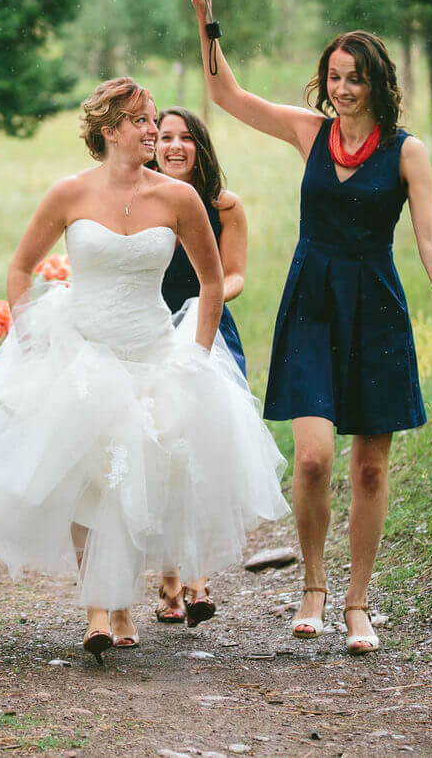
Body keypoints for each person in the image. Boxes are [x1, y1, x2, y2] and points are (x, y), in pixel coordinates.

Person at [185, 0, 432, 655]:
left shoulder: (409, 152)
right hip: (314, 300)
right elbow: (224, 93)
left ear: (377, 83)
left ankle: (357, 601)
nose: (342, 88)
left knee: (371, 467)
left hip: (375, 304)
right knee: (314, 458)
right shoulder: (309, 133)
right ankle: (313, 584)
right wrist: (207, 14)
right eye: (335, 76)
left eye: (354, 78)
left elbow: (430, 234)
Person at [0, 78, 288, 662]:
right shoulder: (68, 193)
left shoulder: (178, 200)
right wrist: (30, 335)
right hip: (81, 348)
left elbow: (212, 284)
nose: (153, 130)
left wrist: (195, 354)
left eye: (153, 119)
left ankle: (124, 602)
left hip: (153, 349)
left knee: (143, 479)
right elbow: (19, 268)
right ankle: (97, 610)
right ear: (110, 129)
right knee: (87, 477)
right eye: (141, 121)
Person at [147, 106, 249, 627]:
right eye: (165, 137)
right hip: (148, 332)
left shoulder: (223, 206)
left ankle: (199, 578)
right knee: (161, 454)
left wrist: (201, 308)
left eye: (186, 137)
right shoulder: (139, 200)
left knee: (203, 452)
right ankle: (167, 580)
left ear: (200, 146)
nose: (174, 146)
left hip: (207, 333)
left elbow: (233, 276)